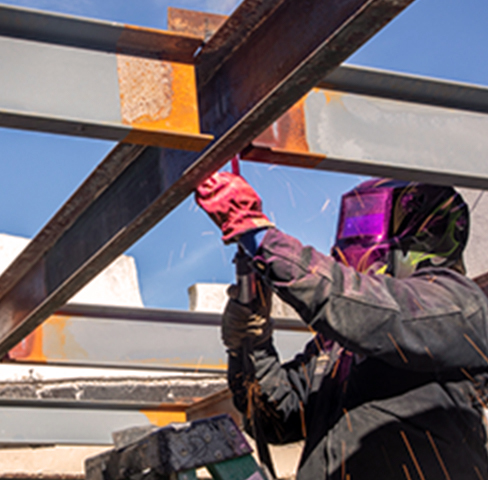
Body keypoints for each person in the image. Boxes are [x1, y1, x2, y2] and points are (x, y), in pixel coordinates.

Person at [195, 173, 488, 479]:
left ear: (427, 231)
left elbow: (360, 307)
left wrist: (261, 239)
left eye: (368, 224)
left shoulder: (456, 305)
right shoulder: (339, 346)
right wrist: (253, 341)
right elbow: (275, 421)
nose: (355, 239)